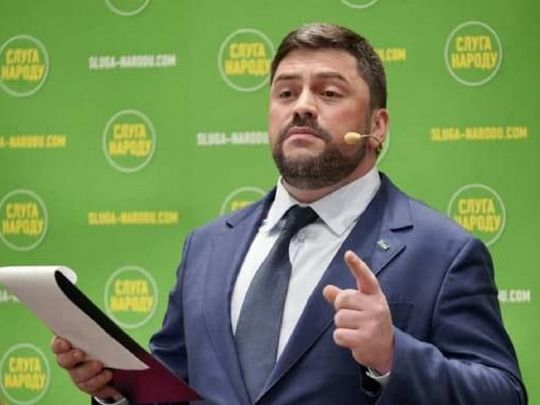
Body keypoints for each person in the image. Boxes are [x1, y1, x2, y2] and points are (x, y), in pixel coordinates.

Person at [52, 23, 527, 404]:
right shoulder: (207, 246)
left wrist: (393, 356)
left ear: (377, 126)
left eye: (329, 93)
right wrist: (113, 389)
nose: (302, 107)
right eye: (285, 93)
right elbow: (172, 387)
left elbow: (503, 393)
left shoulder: (442, 252)